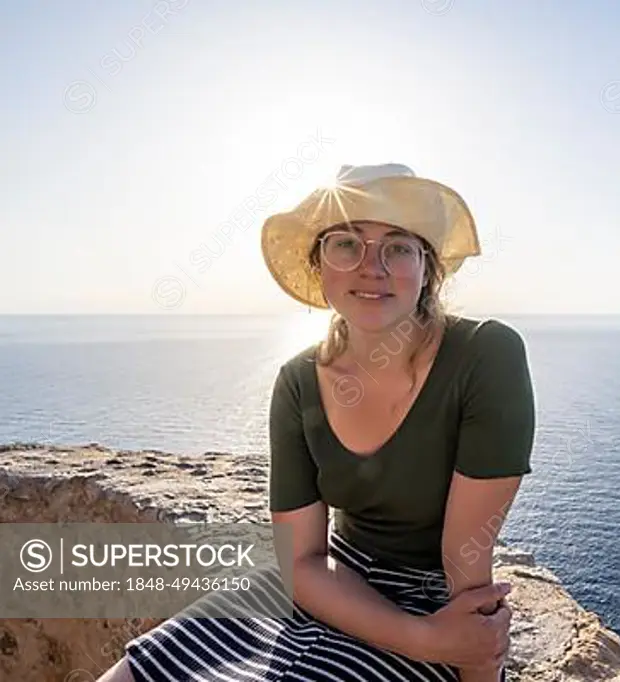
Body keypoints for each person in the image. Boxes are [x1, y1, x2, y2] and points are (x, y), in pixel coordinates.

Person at [98, 163, 536, 682]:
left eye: (397, 247)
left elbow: (466, 558)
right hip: (328, 583)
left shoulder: (485, 356)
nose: (372, 266)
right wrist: (416, 640)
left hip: (432, 602)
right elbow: (302, 559)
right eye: (346, 244)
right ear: (319, 265)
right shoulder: (298, 380)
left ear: (427, 269)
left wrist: (461, 653)